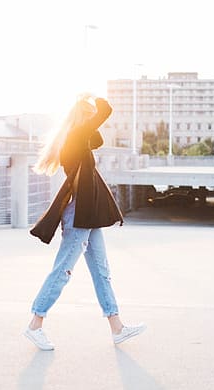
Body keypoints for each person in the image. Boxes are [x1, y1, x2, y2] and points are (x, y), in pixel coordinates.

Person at [24, 94, 146, 351]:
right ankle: (35, 324)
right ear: (82, 117)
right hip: (78, 215)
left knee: (101, 271)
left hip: (88, 216)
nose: (94, 121)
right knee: (63, 270)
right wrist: (93, 98)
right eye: (89, 116)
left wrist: (89, 115)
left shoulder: (80, 139)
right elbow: (106, 110)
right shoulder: (75, 138)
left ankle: (117, 328)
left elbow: (98, 138)